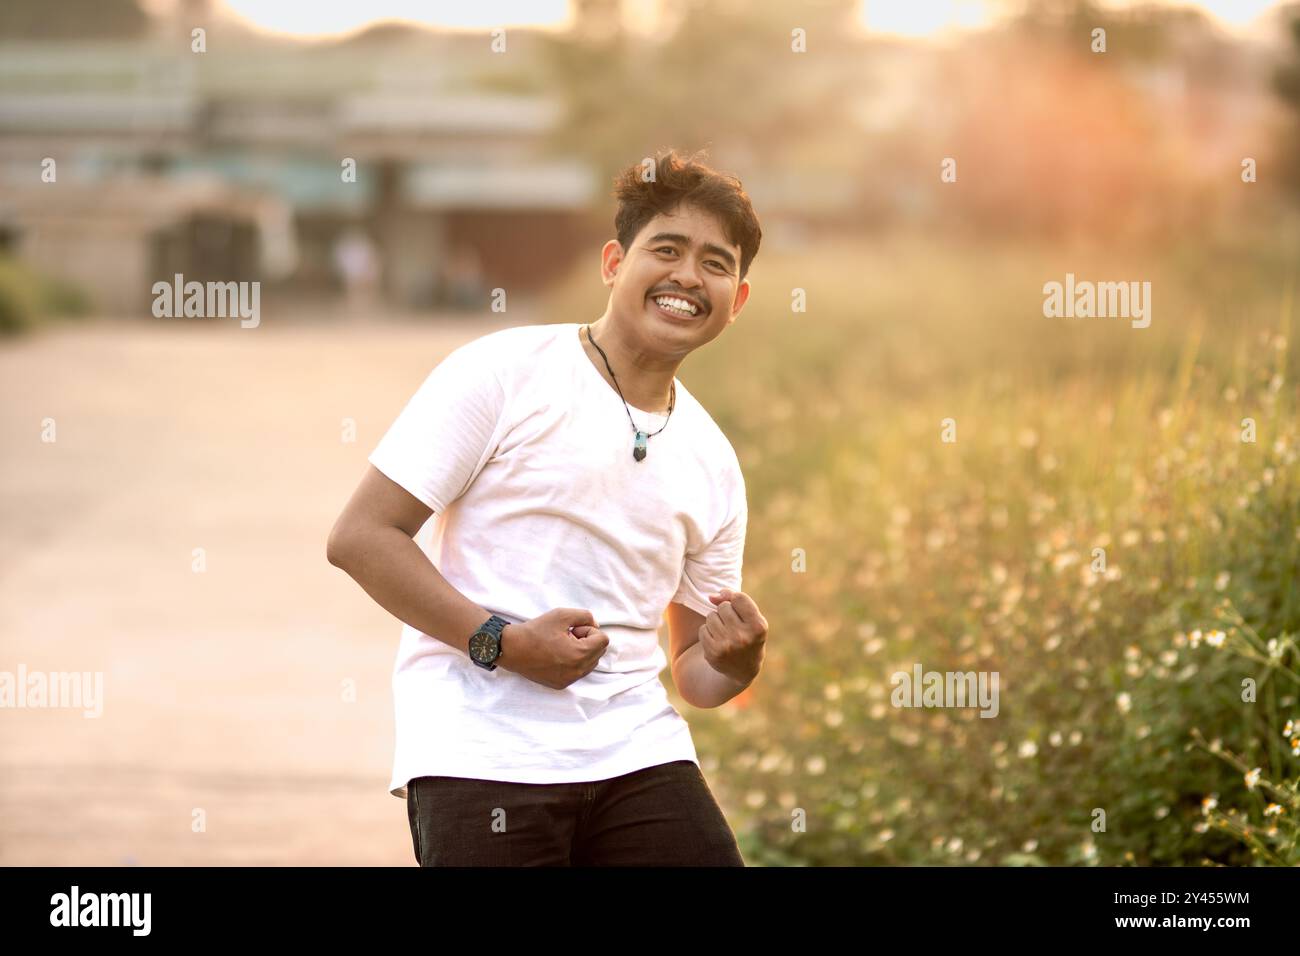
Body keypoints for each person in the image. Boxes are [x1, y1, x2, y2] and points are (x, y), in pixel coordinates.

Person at [326, 148, 768, 866]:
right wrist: (502, 643)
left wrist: (738, 663)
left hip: (637, 752)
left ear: (737, 300)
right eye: (667, 249)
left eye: (716, 264)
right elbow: (362, 537)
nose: (689, 276)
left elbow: (692, 672)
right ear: (613, 263)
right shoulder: (503, 372)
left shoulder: (714, 459)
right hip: (481, 751)